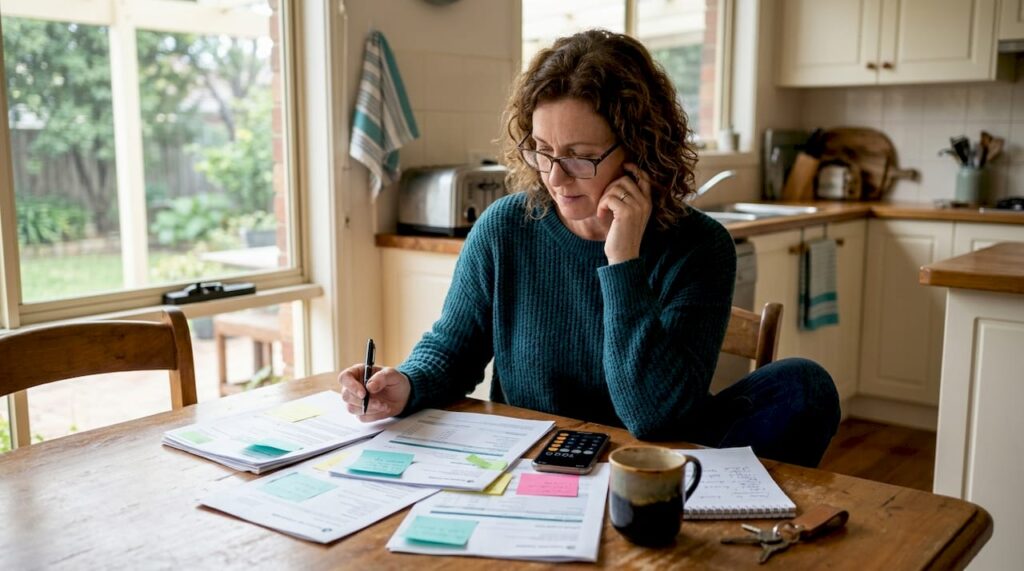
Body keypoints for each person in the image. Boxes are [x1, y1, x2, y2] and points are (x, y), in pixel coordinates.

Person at [339, 29, 840, 468]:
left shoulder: (700, 247)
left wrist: (623, 260)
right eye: (542, 151)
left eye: (581, 158)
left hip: (655, 459)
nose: (555, 178)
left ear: (640, 148)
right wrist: (405, 384)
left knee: (803, 385)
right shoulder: (504, 228)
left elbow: (654, 417)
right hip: (539, 460)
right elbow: (452, 349)